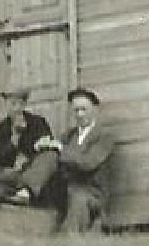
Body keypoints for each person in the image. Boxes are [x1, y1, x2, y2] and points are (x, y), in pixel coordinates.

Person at [0, 86, 62, 218]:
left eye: (19, 104)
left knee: (50, 157)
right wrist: (15, 139)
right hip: (10, 177)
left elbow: (47, 150)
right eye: (12, 104)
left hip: (32, 175)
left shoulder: (37, 123)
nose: (16, 108)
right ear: (6, 105)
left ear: (24, 104)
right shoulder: (0, 128)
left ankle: (27, 192)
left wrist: (34, 148)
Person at [38, 87, 115, 233]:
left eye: (84, 109)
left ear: (95, 109)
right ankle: (28, 190)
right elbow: (55, 154)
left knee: (78, 199)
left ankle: (67, 237)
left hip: (92, 192)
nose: (79, 114)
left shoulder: (104, 137)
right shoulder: (69, 135)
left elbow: (88, 163)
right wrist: (43, 146)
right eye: (76, 110)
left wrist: (61, 149)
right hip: (66, 188)